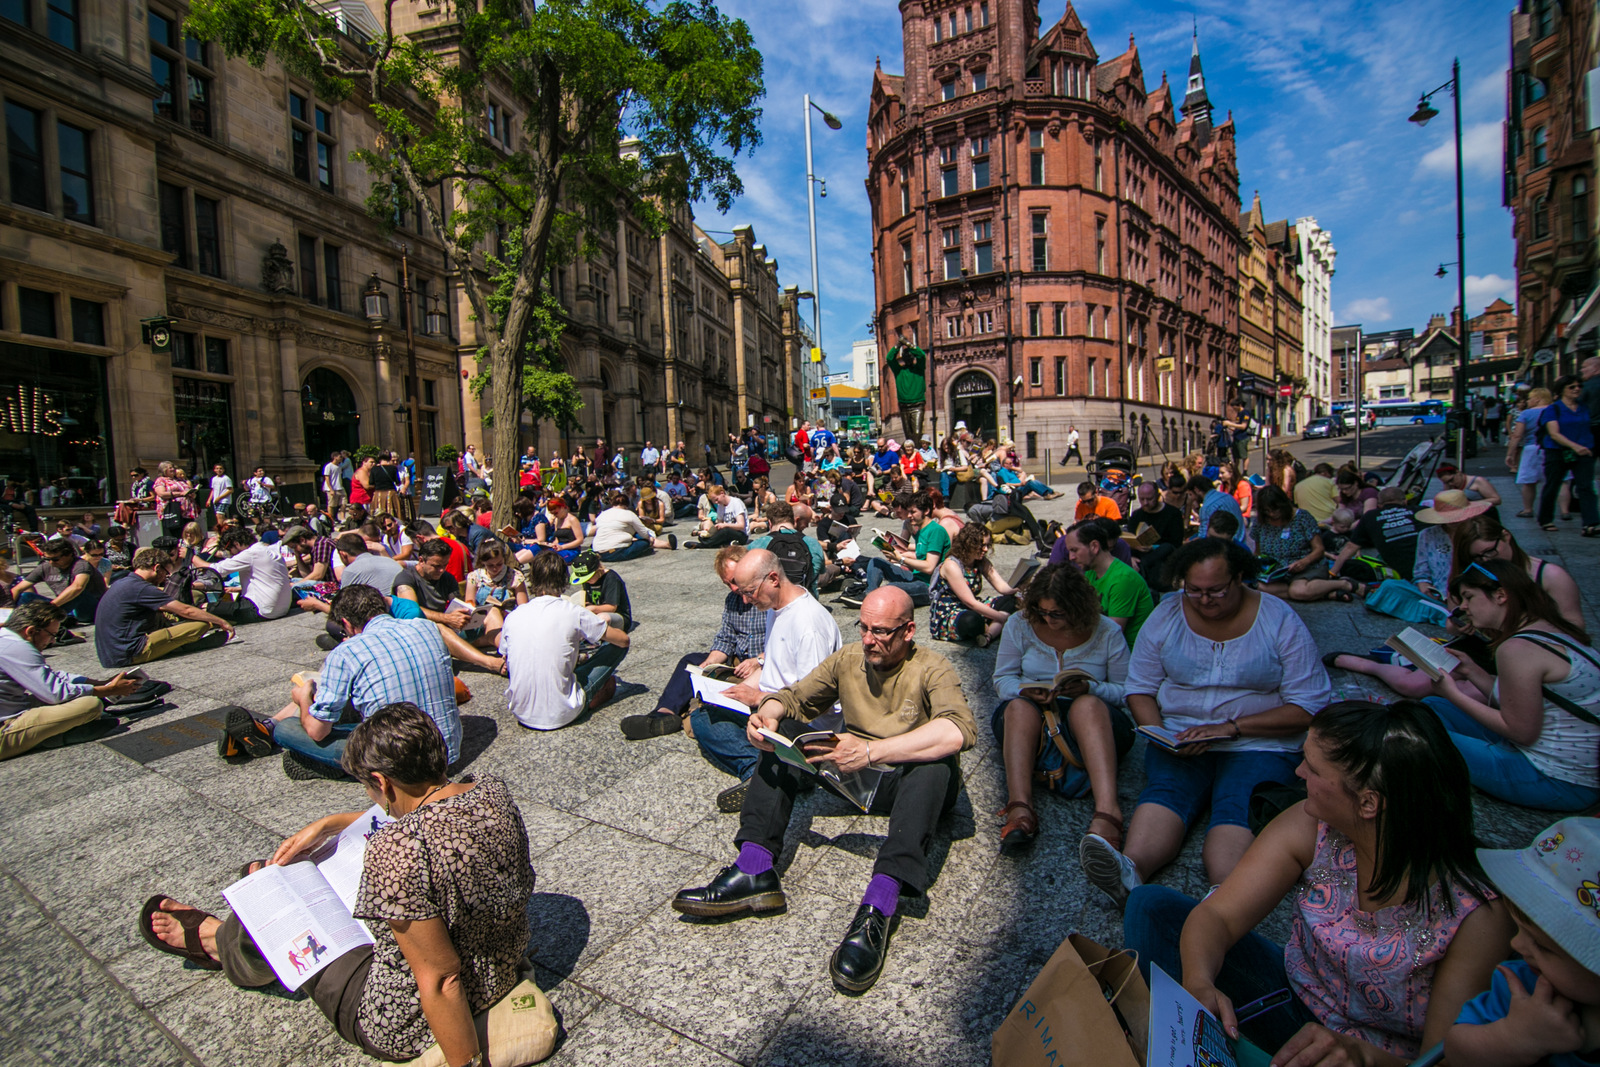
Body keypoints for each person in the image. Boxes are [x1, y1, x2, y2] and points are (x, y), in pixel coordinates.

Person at [142, 704, 537, 1065]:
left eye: (369, 788)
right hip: (498, 970)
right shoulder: (491, 791)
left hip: (406, 1019)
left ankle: (219, 942)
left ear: (381, 781)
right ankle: (235, 929)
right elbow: (431, 814)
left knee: (272, 888)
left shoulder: (398, 850)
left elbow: (442, 979)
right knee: (274, 877)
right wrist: (330, 823)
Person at [1124, 700, 1511, 1064]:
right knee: (1152, 908)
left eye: (1313, 767)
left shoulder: (1475, 913)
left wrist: (1362, 1057)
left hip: (1376, 1057)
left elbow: (1439, 1059)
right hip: (1294, 998)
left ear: (1368, 803)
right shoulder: (1312, 824)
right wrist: (1197, 982)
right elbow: (1218, 917)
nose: (1298, 772)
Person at [670, 587, 974, 994]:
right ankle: (755, 868)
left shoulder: (933, 668)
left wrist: (871, 751)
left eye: (881, 632)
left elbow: (958, 730)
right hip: (855, 774)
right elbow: (795, 697)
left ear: (908, 630)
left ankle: (877, 907)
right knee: (784, 732)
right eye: (864, 628)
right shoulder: (849, 658)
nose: (869, 640)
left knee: (935, 765)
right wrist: (766, 716)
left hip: (910, 781)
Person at [1080, 538, 1332, 903]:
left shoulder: (1278, 618)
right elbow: (1140, 689)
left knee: (1240, 800)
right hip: (1182, 735)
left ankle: (1223, 892)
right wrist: (1161, 735)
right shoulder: (1167, 614)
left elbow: (1308, 705)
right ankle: (1131, 869)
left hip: (1258, 741)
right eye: (1193, 590)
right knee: (1166, 791)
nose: (1204, 600)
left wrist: (1231, 728)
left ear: (1240, 578)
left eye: (1216, 591)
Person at [1419, 560, 1600, 811]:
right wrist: (1471, 670)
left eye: (1469, 597)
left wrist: (1453, 693)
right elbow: (1521, 701)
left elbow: (1521, 731)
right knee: (1431, 706)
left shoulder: (1517, 648)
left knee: (1417, 734)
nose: (1463, 607)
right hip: (1562, 763)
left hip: (1558, 779)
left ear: (1501, 595)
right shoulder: (1549, 628)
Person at [690, 548, 845, 810]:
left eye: (750, 592)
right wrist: (737, 690)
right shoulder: (776, 608)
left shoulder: (808, 625)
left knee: (715, 724)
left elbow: (815, 702)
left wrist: (759, 698)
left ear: (773, 578)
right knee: (703, 716)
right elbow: (773, 664)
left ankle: (772, 769)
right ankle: (773, 767)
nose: (746, 600)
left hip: (800, 724)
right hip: (772, 704)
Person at [991, 564, 1131, 850]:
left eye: (1057, 614)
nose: (1048, 620)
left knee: (1086, 706)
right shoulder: (1020, 624)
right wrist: (1024, 690)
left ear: (1078, 608)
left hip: (1095, 722)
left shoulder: (1107, 632)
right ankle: (1019, 806)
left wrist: (1090, 688)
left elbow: (1127, 691)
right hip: (1033, 715)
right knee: (1017, 708)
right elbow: (1002, 679)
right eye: (1042, 612)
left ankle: (1108, 811)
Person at [1447, 815, 1600, 1067]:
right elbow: (1454, 1053)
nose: (1516, 945)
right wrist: (1513, 1037)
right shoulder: (1522, 988)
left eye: (1542, 946)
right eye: (1520, 930)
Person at [268, 584, 462, 777]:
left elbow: (317, 732)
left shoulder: (346, 652)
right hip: (446, 751)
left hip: (399, 766)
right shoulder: (427, 627)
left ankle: (335, 765)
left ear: (347, 623)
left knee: (285, 729)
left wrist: (303, 698)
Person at [619, 544, 766, 741]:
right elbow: (726, 638)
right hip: (737, 661)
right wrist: (710, 662)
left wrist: (758, 660)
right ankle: (664, 713)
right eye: (727, 584)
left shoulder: (766, 598)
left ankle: (694, 714)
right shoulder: (732, 600)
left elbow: (784, 644)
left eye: (734, 581)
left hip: (762, 665)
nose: (733, 588)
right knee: (690, 661)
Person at [500, 549, 630, 729]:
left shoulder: (514, 616)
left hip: (521, 712)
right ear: (564, 579)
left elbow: (506, 656)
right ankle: (589, 698)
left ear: (533, 579)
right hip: (563, 713)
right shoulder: (573, 612)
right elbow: (623, 640)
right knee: (616, 649)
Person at [0, 602, 143, 759]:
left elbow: (51, 677)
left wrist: (99, 683)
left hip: (11, 709)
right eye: (51, 635)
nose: (52, 641)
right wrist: (108, 690)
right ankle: (50, 737)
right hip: (3, 731)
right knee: (90, 705)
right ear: (31, 631)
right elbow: (55, 693)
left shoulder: (6, 640)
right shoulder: (18, 648)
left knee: (70, 699)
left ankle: (51, 730)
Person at [93, 548, 233, 668]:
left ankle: (174, 642)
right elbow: (186, 610)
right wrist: (221, 621)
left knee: (168, 613)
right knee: (200, 625)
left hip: (112, 654)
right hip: (129, 653)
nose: (165, 579)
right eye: (166, 574)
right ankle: (181, 646)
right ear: (157, 568)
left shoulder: (125, 582)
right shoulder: (141, 588)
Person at [1250, 486, 1360, 603]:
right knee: (1255, 586)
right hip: (1277, 572)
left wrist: (1304, 562)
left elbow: (1319, 549)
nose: (1272, 514)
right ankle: (1324, 593)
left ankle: (1342, 584)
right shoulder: (1260, 522)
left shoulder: (1302, 518)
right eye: (1267, 511)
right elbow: (1258, 551)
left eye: (1275, 510)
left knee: (1298, 591)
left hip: (1307, 567)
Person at [1057, 519, 1155, 645]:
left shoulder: (1122, 580)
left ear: (1094, 546)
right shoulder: (1091, 572)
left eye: (1074, 550)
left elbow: (1111, 635)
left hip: (1126, 652)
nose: (1071, 557)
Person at [847, 490, 949, 608]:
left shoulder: (936, 531)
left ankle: (873, 598)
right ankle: (869, 594)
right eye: (909, 512)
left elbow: (929, 567)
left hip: (929, 586)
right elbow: (918, 555)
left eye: (913, 512)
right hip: (916, 577)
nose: (909, 516)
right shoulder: (921, 529)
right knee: (876, 562)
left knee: (890, 588)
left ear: (926, 511)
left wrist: (900, 559)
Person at [929, 523, 1017, 647]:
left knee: (1010, 601)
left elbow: (1002, 587)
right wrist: (1002, 617)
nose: (985, 549)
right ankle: (995, 625)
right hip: (951, 611)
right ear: (968, 544)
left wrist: (1016, 590)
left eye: (987, 545)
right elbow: (970, 602)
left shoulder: (980, 561)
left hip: (972, 607)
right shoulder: (951, 565)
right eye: (981, 545)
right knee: (972, 621)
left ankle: (988, 635)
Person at [1536, 375, 1599, 535]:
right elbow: (1554, 434)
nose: (1577, 389)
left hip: (1583, 451)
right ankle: (1546, 519)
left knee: (1586, 487)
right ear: (1562, 390)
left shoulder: (1583, 407)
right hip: (1558, 452)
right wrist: (1575, 447)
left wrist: (1585, 447)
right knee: (1553, 485)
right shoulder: (1553, 409)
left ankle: (1591, 524)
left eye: (1579, 386)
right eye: (1572, 387)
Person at [11, 537, 106, 629]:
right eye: (47, 559)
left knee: (78, 592)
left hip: (89, 608)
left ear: (69, 555)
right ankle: (59, 618)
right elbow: (17, 589)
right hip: (61, 606)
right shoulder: (45, 567)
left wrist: (49, 607)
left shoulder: (81, 565)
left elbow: (78, 587)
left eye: (55, 559)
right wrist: (8, 611)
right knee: (26, 596)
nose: (51, 562)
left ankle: (51, 618)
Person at [1330, 486, 1420, 583]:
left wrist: (1332, 573)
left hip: (1400, 573)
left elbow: (1350, 547)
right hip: (1425, 568)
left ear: (1379, 505)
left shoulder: (1370, 517)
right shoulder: (1420, 511)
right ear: (1405, 501)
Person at [209, 527, 294, 623]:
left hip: (263, 610)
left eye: (229, 549)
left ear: (236, 544)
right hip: (283, 608)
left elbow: (216, 570)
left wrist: (196, 557)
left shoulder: (250, 554)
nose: (230, 554)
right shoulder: (270, 550)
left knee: (206, 607)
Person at [747, 501, 825, 596]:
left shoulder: (756, 546)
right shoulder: (814, 544)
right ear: (794, 520)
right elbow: (820, 572)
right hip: (806, 599)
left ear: (770, 523)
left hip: (770, 602)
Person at [462, 538, 527, 648]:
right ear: (483, 562)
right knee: (492, 611)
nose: (495, 568)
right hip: (481, 623)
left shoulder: (514, 576)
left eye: (499, 564)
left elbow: (523, 607)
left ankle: (501, 644)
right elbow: (469, 605)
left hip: (508, 622)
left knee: (495, 611)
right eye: (490, 565)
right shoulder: (474, 577)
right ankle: (503, 646)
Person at [1125, 480, 1185, 592]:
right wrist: (1131, 557)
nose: (1145, 503)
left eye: (1149, 499)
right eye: (1142, 499)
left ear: (1157, 496)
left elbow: (1176, 544)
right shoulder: (1137, 515)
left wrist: (1153, 547)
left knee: (1165, 548)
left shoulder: (1173, 514)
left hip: (1163, 557)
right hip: (1140, 555)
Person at [1507, 386, 1553, 517]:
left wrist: (1510, 454)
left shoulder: (1526, 414)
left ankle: (1528, 509)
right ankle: (1564, 511)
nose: (1528, 401)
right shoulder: (1556, 410)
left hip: (1532, 448)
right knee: (1560, 481)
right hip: (1554, 448)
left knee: (1529, 481)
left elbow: (1517, 435)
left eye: (1530, 398)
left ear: (1537, 399)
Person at [591, 490, 675, 561]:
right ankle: (665, 545)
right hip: (616, 552)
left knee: (635, 535)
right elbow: (644, 533)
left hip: (598, 551)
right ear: (626, 505)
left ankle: (667, 544)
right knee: (645, 543)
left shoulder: (602, 515)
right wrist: (650, 539)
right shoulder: (628, 514)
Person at [569, 550, 632, 631]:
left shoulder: (611, 578)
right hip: (595, 613)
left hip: (617, 617)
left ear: (598, 569)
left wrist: (592, 608)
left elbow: (611, 607)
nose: (587, 581)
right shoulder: (588, 581)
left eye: (588, 578)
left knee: (602, 618)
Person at [686, 484, 748, 550]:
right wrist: (708, 532)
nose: (716, 502)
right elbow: (719, 524)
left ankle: (702, 545)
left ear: (722, 493)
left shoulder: (736, 502)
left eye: (717, 499)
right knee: (704, 537)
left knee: (725, 531)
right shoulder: (720, 506)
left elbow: (741, 526)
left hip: (741, 534)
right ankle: (729, 543)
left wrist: (725, 525)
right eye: (714, 501)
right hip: (727, 533)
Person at [1188, 475, 1245, 542]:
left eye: (1191, 494)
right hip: (1240, 542)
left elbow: (1203, 538)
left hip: (1224, 544)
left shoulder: (1207, 507)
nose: (1192, 499)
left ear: (1196, 490)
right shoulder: (1229, 497)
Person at [1435, 462, 1503, 507]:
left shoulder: (1477, 481)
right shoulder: (1449, 485)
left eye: (1452, 480)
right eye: (1446, 482)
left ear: (1457, 472)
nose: (1451, 483)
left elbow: (1497, 499)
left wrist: (1472, 504)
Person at [321, 451, 345, 515]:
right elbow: (327, 478)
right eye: (340, 457)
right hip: (332, 488)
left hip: (339, 487)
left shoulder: (339, 466)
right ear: (335, 457)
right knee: (331, 504)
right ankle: (331, 518)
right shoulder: (329, 466)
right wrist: (331, 489)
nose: (341, 458)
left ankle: (342, 517)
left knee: (343, 503)